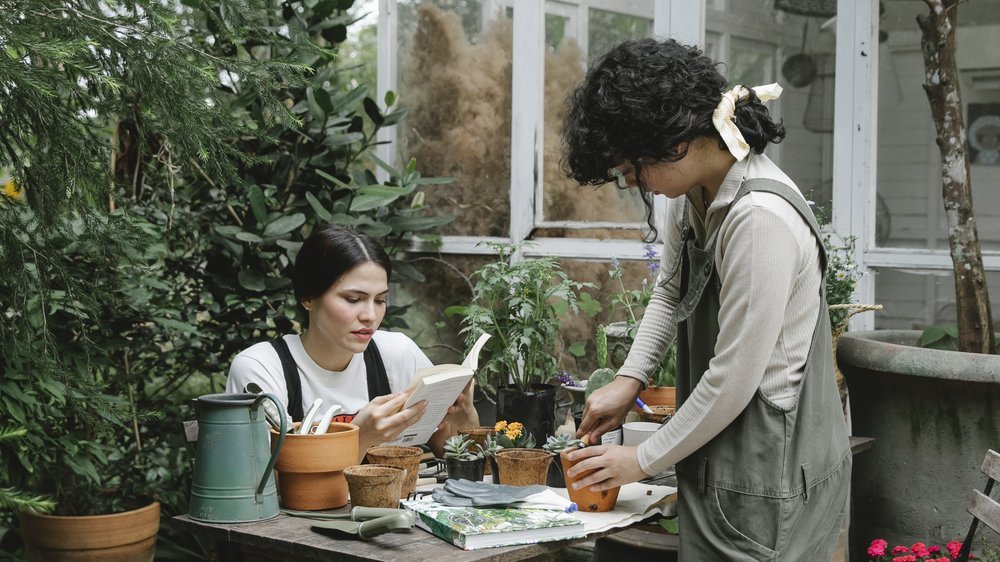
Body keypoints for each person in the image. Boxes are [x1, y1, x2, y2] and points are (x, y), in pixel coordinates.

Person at [560, 38, 851, 560]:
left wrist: (641, 460)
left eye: (633, 168)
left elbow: (734, 378)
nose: (632, 182)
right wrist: (630, 380)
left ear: (674, 140)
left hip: (769, 468)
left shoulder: (759, 219)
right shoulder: (694, 192)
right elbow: (670, 292)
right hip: (725, 457)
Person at [226, 224, 479, 459]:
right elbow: (264, 484)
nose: (370, 316)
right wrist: (361, 436)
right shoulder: (262, 369)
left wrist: (464, 414)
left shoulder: (397, 353)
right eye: (353, 299)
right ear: (308, 298)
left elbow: (451, 451)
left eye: (379, 300)